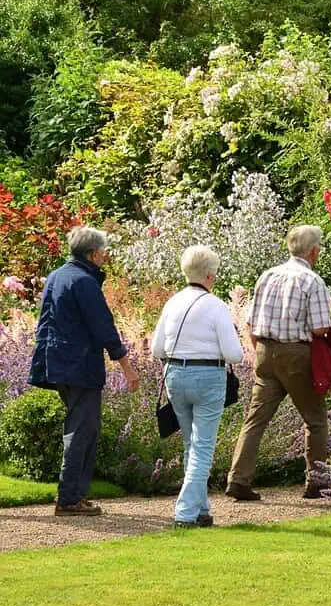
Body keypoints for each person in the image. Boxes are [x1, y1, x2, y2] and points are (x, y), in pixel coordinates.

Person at [28, 226, 140, 517]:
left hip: (58, 362)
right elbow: (103, 327)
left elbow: (45, 323)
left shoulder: (57, 276)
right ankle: (69, 499)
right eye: (103, 254)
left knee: (82, 427)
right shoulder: (84, 282)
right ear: (92, 254)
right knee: (82, 430)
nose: (105, 258)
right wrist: (127, 367)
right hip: (79, 365)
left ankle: (75, 494)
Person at [226, 225, 331, 501]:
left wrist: (259, 351)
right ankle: (317, 483)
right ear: (314, 250)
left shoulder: (268, 276)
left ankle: (238, 478)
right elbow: (322, 328)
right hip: (296, 355)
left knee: (256, 419)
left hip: (265, 352)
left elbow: (251, 323)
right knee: (315, 420)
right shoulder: (312, 281)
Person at [152, 246, 244, 528]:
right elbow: (235, 354)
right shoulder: (215, 306)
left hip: (175, 376)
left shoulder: (173, 302)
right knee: (203, 446)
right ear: (209, 275)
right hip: (208, 377)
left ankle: (202, 508)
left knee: (191, 444)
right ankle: (186, 512)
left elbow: (157, 348)